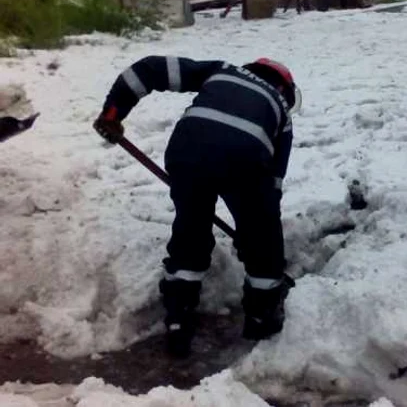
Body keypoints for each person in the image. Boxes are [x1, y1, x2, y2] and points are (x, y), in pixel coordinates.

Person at [93, 55, 300, 357]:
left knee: (192, 227)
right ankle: (261, 317)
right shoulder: (282, 111)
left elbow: (150, 70)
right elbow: (273, 184)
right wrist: (254, 230)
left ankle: (178, 316)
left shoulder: (222, 71)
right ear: (283, 87)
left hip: (187, 149)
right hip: (245, 158)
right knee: (263, 239)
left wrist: (113, 112)